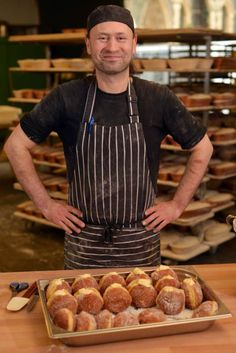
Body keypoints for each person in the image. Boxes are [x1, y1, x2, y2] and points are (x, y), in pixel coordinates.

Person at [4, 4, 213, 269]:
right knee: (79, 307)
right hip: (84, 242)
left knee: (141, 309)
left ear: (134, 43)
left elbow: (203, 148)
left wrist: (177, 205)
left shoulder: (158, 98)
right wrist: (46, 205)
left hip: (140, 241)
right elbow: (15, 146)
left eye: (120, 37)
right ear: (89, 44)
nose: (112, 47)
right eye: (102, 38)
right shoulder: (66, 97)